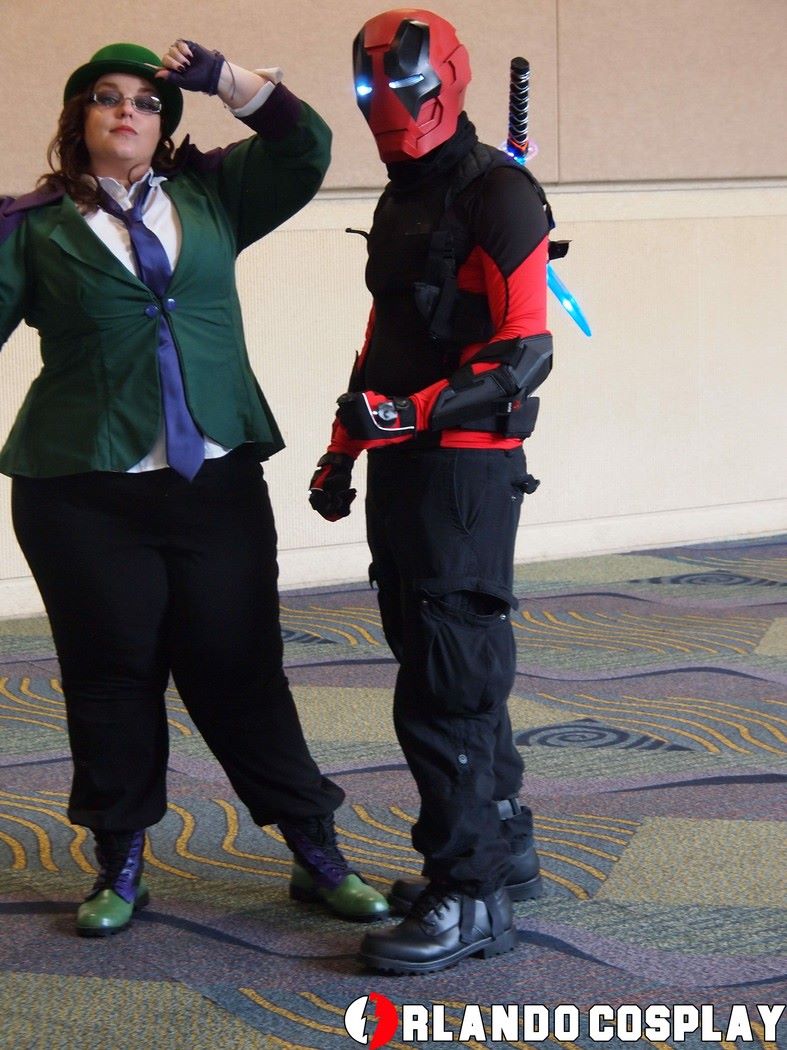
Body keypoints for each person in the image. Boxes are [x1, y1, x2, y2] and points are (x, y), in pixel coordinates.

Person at [0, 39, 389, 936]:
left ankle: (315, 849)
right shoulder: (32, 227)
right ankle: (120, 861)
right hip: (81, 491)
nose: (127, 110)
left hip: (214, 480)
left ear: (164, 122)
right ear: (79, 118)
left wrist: (224, 81)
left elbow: (306, 147)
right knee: (110, 674)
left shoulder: (212, 196)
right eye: (106, 97)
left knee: (240, 665)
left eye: (146, 100)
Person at [309, 10, 552, 974]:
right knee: (439, 657)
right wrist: (343, 446)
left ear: (446, 79)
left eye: (405, 88)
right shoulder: (405, 195)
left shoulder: (500, 193)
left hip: (465, 469)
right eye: (372, 91)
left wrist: (408, 415)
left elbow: (525, 350)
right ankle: (500, 844)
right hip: (403, 463)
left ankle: (470, 893)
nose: (391, 108)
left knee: (446, 683)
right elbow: (386, 334)